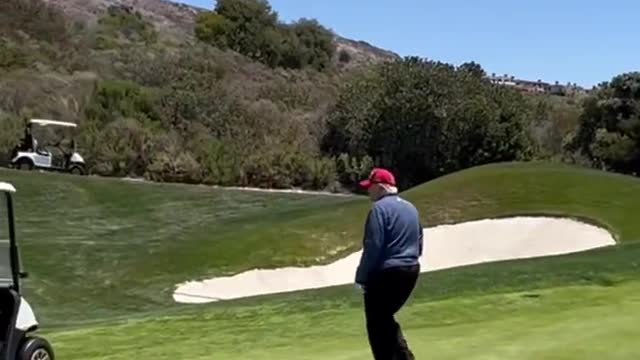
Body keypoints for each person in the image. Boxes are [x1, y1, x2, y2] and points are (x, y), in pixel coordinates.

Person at [355, 167, 423, 360]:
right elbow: (419, 241)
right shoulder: (411, 208)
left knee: (376, 325)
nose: (368, 191)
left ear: (381, 187)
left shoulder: (379, 209)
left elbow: (373, 246)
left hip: (387, 272)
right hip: (411, 269)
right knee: (384, 320)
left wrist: (361, 277)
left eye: (371, 187)